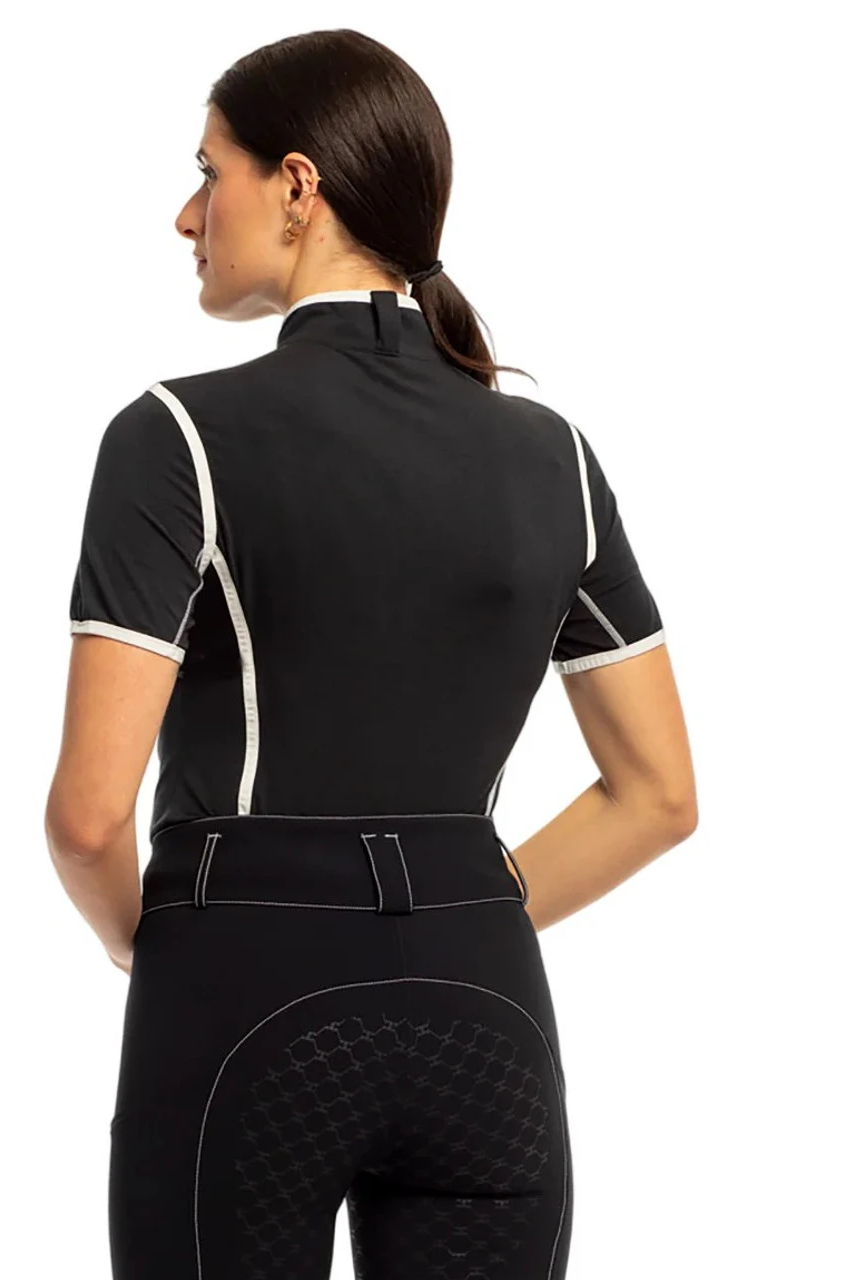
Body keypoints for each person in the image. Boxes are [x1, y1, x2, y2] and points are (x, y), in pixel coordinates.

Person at [44, 28, 697, 1280]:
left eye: (209, 171)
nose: (187, 214)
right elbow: (659, 794)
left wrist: (155, 939)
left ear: (298, 186)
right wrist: (448, 908)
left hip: (241, 990)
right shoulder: (553, 454)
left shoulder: (177, 436)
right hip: (485, 1009)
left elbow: (87, 818)